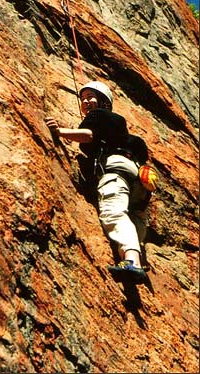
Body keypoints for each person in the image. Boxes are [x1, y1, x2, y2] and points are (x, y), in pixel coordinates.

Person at [45, 80, 148, 284]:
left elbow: (88, 135)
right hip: (140, 181)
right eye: (83, 99)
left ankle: (132, 262)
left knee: (114, 212)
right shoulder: (125, 132)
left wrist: (60, 132)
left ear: (104, 102)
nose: (86, 102)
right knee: (134, 219)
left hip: (116, 169)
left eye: (91, 97)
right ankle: (133, 258)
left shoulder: (99, 116)